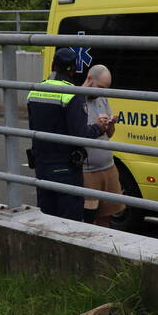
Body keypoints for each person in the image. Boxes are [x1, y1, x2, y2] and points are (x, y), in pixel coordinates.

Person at [26, 47, 104, 220]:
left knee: (46, 217)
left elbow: (33, 127)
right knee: (68, 221)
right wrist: (99, 128)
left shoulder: (34, 90)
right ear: (73, 69)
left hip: (42, 166)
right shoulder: (72, 94)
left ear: (53, 65)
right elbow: (79, 136)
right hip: (65, 168)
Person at [81, 63, 124, 227]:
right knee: (88, 220)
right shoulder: (76, 100)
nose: (102, 92)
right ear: (89, 79)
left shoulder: (102, 99)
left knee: (108, 216)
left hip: (108, 166)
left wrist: (110, 124)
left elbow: (110, 134)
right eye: (100, 87)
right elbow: (76, 133)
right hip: (88, 171)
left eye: (105, 89)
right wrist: (96, 125)